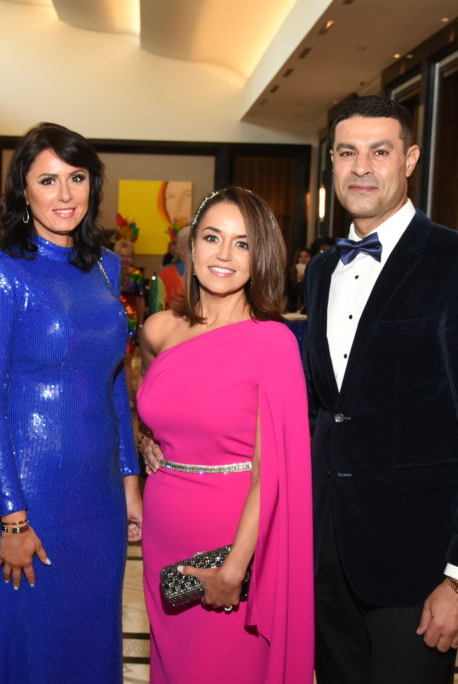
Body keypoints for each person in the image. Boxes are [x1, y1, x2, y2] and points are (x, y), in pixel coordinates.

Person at [302, 95, 458, 683]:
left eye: (380, 151)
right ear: (332, 163)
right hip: (327, 553)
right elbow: (326, 408)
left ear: (410, 159)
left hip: (416, 564)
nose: (362, 168)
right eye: (347, 153)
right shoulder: (323, 271)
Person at [0, 122, 141, 683]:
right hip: (28, 492)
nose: (65, 195)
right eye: (48, 180)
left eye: (77, 178)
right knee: (31, 639)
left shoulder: (107, 269)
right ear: (24, 191)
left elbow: (114, 381)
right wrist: (11, 518)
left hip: (99, 493)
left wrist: (130, 481)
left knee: (92, 632)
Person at [137, 187, 313, 682]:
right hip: (164, 528)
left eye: (243, 243)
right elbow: (153, 400)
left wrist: (235, 568)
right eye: (212, 237)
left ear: (261, 259)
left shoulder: (272, 342)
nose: (223, 254)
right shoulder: (159, 329)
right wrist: (148, 438)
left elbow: (270, 473)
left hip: (231, 535)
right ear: (190, 248)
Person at [148, 226, 190, 314]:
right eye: (186, 246)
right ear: (178, 249)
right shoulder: (164, 274)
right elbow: (156, 310)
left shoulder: (206, 273)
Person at [286, 247, 311, 312]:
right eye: (300, 256)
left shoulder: (314, 272)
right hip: (293, 308)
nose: (303, 259)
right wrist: (299, 280)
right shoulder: (291, 272)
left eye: (306, 256)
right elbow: (289, 291)